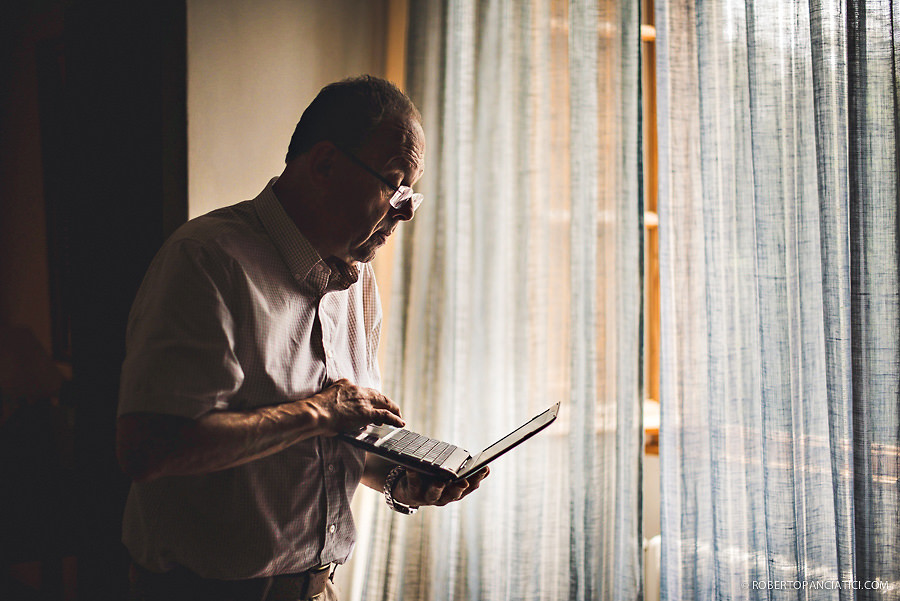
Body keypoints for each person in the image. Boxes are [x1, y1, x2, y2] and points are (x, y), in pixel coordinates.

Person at [115, 75, 488, 601]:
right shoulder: (206, 261)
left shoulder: (358, 281)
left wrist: (399, 477)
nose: (404, 210)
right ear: (325, 164)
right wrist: (320, 411)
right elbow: (150, 449)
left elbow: (324, 448)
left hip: (318, 589)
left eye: (411, 193)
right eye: (393, 183)